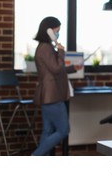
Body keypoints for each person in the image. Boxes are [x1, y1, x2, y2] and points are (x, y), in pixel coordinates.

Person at [32, 16, 81, 155]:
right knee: (63, 130)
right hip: (51, 95)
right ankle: (35, 156)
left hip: (49, 95)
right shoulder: (45, 48)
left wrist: (72, 68)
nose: (58, 33)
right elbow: (56, 69)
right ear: (49, 31)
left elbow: (54, 69)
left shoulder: (45, 47)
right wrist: (60, 52)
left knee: (48, 130)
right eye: (57, 30)